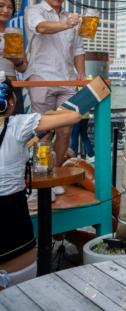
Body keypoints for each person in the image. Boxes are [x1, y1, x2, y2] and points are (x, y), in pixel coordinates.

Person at [0, 73, 82, 288]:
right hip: (10, 215)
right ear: (13, 100)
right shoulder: (18, 124)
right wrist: (50, 113)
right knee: (20, 292)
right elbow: (74, 117)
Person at [24, 0, 85, 180]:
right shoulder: (33, 10)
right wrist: (66, 24)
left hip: (68, 79)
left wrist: (82, 73)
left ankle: (54, 175)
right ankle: (42, 176)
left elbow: (78, 48)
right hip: (41, 76)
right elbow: (41, 27)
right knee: (45, 132)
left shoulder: (72, 16)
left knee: (66, 131)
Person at [0, 0, 28, 116]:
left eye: (10, 7)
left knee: (15, 130)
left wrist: (18, 62)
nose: (6, 10)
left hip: (12, 87)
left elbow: (23, 68)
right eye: (1, 6)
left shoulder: (15, 34)